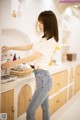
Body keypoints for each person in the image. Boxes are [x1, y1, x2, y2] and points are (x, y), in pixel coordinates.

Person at [1, 10, 59, 120]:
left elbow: (32, 57)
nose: (39, 24)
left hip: (44, 79)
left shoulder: (50, 41)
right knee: (45, 109)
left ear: (49, 23)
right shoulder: (43, 38)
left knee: (30, 112)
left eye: (42, 22)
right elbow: (28, 46)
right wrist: (10, 47)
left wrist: (11, 63)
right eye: (39, 22)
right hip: (42, 78)